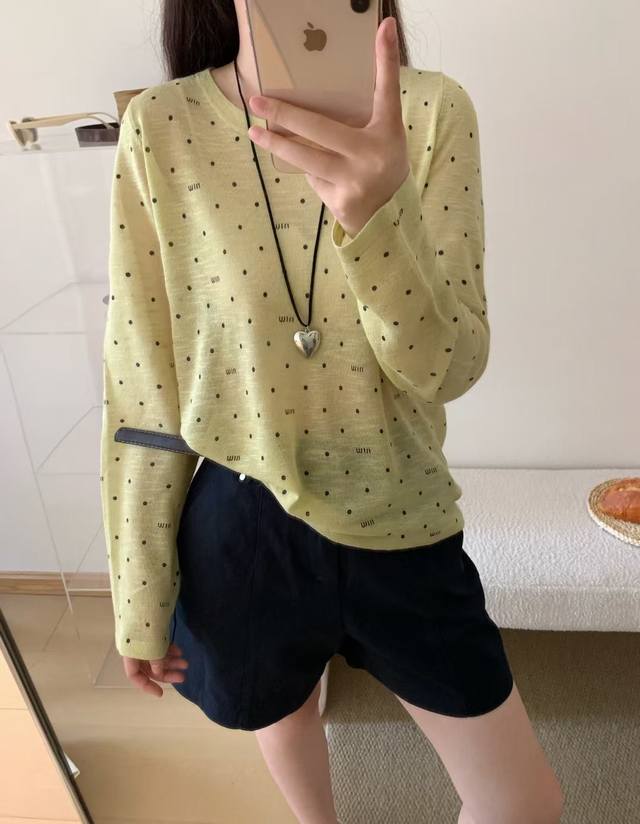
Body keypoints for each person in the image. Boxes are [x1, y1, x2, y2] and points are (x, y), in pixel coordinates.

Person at [99, 1, 564, 822]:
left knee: (523, 804)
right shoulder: (162, 127)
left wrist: (376, 214)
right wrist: (139, 588)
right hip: (242, 521)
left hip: (402, 512)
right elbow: (143, 380)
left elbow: (447, 368)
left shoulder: (431, 111)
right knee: (283, 712)